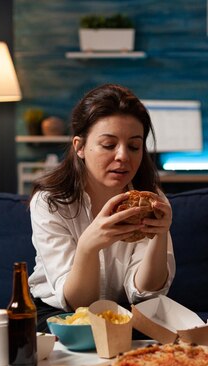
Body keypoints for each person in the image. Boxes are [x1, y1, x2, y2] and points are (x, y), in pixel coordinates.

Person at [28, 83, 175, 331]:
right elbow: (79, 304)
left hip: (125, 311)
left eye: (134, 146)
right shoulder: (50, 202)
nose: (123, 156)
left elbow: (145, 292)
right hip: (61, 314)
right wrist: (89, 245)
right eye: (109, 145)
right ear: (80, 147)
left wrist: (159, 234)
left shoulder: (151, 200)